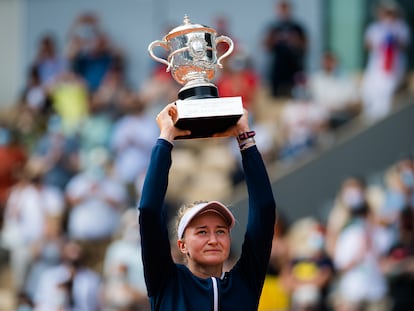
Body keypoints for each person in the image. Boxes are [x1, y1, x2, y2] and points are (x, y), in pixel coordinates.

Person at [138, 103, 276, 310]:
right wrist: (166, 137)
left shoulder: (245, 281)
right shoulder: (167, 281)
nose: (213, 240)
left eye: (220, 231)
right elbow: (149, 210)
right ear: (182, 245)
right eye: (202, 232)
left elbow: (264, 209)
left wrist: (244, 137)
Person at [360, 0, 410, 122]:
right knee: (369, 91)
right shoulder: (375, 28)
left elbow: (404, 45)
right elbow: (367, 45)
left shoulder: (401, 27)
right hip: (376, 67)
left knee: (385, 94)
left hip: (392, 68)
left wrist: (392, 37)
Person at [262, 0, 307, 98]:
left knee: (296, 99)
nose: (283, 11)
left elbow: (305, 46)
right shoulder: (273, 28)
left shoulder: (297, 27)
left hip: (294, 70)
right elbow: (266, 46)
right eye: (281, 9)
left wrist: (294, 41)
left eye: (285, 8)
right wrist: (275, 39)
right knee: (277, 100)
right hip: (278, 71)